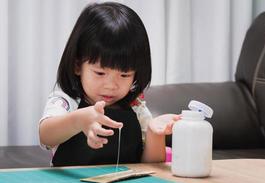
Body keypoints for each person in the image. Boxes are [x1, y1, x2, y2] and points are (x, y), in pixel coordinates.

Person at [39, 2, 179, 167]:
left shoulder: (136, 108)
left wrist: (155, 133)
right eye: (100, 73)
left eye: (124, 75)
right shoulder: (66, 101)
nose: (111, 85)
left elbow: (151, 165)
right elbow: (45, 136)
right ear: (77, 66)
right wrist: (77, 120)